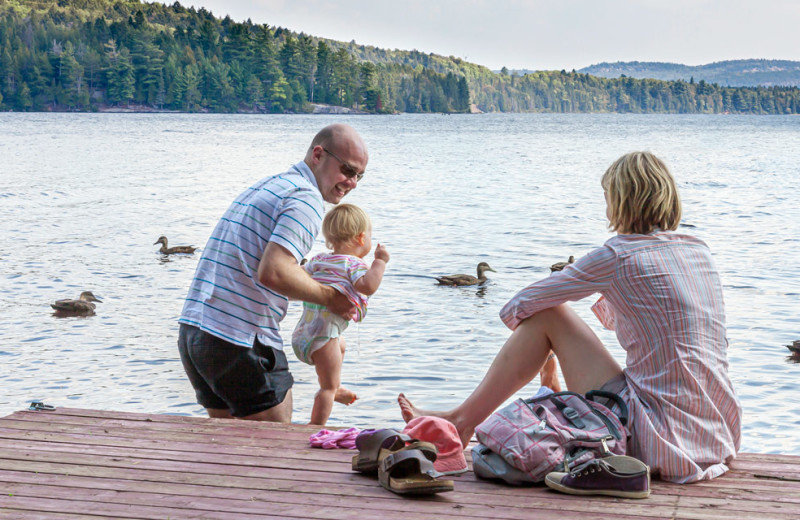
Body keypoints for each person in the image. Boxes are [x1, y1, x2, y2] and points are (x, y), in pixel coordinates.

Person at [398, 151, 742, 484]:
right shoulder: (699, 250)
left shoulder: (616, 255)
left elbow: (520, 305)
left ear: (620, 200)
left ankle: (463, 421)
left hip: (658, 440)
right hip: (716, 435)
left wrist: (546, 352)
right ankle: (500, 405)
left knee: (549, 313)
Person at [178, 123, 368, 423]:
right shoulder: (306, 199)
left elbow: (266, 268)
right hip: (238, 339)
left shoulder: (270, 185)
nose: (352, 181)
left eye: (359, 175)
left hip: (196, 334)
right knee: (276, 451)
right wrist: (332, 298)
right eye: (347, 169)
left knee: (225, 453)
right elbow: (275, 273)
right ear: (318, 155)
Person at [292, 203, 389, 425]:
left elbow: (296, 280)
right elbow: (368, 286)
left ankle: (335, 387)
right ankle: (315, 425)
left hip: (303, 334)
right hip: (323, 339)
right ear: (362, 238)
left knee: (341, 344)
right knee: (325, 388)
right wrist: (380, 262)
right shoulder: (353, 264)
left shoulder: (318, 260)